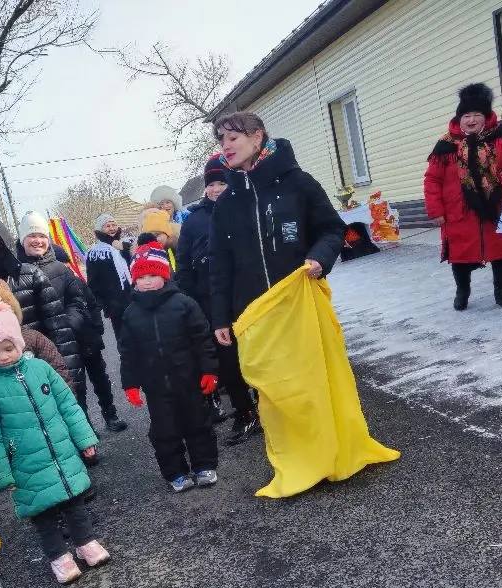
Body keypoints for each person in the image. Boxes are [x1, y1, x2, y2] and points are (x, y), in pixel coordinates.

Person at [208, 111, 346, 444]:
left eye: (232, 137)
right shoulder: (226, 203)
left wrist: (319, 257)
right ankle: (293, 449)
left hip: (298, 305)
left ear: (257, 137)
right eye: (221, 139)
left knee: (309, 379)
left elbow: (331, 229)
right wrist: (220, 317)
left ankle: (324, 446)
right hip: (254, 312)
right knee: (273, 385)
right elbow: (219, 264)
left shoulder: (298, 183)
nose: (225, 146)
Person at [0, 297, 109, 585]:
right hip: (25, 464)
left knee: (75, 503)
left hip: (61, 454)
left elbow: (68, 406)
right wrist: (0, 474)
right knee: (42, 514)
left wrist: (84, 439)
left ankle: (86, 543)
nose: (3, 355)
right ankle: (59, 557)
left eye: (8, 348)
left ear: (19, 344)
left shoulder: (41, 370)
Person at [423, 83, 502, 310]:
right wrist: (435, 210)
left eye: (477, 114)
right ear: (459, 118)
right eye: (467, 115)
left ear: (486, 117)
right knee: (460, 257)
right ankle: (462, 292)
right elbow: (432, 180)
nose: (472, 119)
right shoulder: (445, 146)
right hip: (458, 212)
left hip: (497, 207)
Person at [118, 245, 219, 493]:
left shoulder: (184, 304)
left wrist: (209, 370)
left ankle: (204, 465)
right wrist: (130, 384)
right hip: (156, 387)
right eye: (141, 278)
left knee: (198, 424)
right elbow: (128, 352)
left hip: (189, 380)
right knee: (164, 431)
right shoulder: (131, 314)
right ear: (134, 281)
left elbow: (202, 340)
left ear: (164, 275)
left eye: (152, 275)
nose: (147, 282)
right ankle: (175, 472)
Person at [16, 212, 127, 433]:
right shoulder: (18, 275)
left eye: (41, 235)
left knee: (100, 377)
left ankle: (110, 414)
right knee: (72, 388)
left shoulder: (61, 269)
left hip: (82, 336)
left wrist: (92, 326)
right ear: (22, 240)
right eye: (31, 236)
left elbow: (81, 299)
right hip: (51, 346)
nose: (37, 240)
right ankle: (84, 428)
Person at [177, 152, 257, 442]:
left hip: (248, 297)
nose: (215, 189)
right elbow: (183, 266)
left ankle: (268, 406)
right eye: (210, 184)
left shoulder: (246, 207)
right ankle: (244, 411)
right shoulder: (194, 221)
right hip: (211, 303)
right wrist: (191, 303)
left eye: (221, 183)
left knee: (257, 354)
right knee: (227, 361)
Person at [0, 215, 82, 386]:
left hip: (44, 372)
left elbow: (59, 330)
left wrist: (68, 378)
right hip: (7, 385)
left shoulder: (30, 275)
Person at [85, 213, 133, 340]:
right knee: (124, 340)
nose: (112, 228)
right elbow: (93, 283)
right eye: (107, 226)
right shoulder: (95, 253)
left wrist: (124, 249)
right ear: (100, 230)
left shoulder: (127, 245)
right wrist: (102, 306)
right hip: (115, 304)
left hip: (135, 299)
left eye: (114, 225)